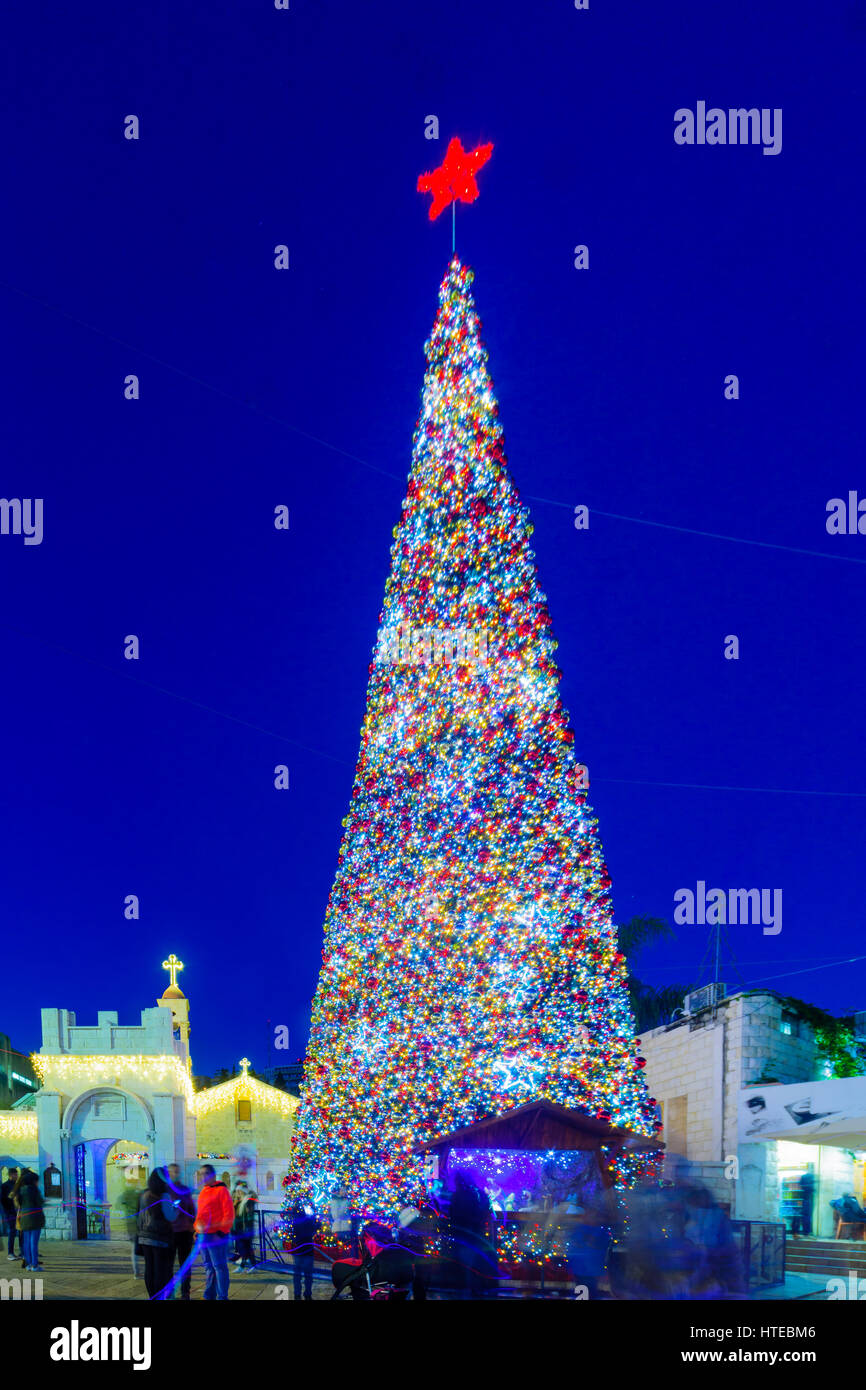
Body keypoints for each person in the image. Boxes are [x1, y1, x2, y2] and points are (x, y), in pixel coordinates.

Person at [195, 1163, 235, 1300]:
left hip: (216, 1235)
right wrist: (196, 1230)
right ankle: (209, 1295)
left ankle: (222, 1296)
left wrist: (222, 1232)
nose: (203, 1176)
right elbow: (200, 1214)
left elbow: (228, 1213)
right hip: (203, 1235)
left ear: (212, 1175)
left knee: (219, 1267)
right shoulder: (204, 1191)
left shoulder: (221, 1190)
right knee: (208, 1267)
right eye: (201, 1174)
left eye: (205, 1173)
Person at [137, 1168, 178, 1300]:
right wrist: (176, 1208)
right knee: (160, 1270)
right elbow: (170, 1216)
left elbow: (139, 1215)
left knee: (149, 1269)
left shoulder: (144, 1194)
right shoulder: (164, 1196)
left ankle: (152, 1296)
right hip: (159, 1237)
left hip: (144, 1237)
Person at [166, 1163, 196, 1300]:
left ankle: (185, 1292)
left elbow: (191, 1209)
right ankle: (171, 1292)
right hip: (170, 1232)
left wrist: (191, 1226)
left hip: (184, 1232)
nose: (176, 1174)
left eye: (177, 1172)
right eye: (173, 1172)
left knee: (185, 1265)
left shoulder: (184, 1190)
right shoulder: (165, 1190)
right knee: (168, 1265)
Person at [12, 1168, 45, 1272]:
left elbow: (18, 1204)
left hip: (24, 1218)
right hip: (34, 1219)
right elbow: (40, 1201)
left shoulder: (21, 1190)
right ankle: (35, 1265)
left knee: (26, 1242)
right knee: (33, 1243)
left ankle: (29, 1264)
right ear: (33, 1181)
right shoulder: (34, 1190)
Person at [116, 1174, 145, 1277]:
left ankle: (136, 1272)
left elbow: (118, 1205)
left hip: (130, 1223)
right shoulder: (140, 1193)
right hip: (140, 1223)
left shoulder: (126, 1193)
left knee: (134, 1247)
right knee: (143, 1246)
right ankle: (142, 1271)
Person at [290, 1203, 317, 1300]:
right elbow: (316, 1227)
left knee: (298, 1274)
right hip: (306, 1249)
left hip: (299, 1248)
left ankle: (298, 1295)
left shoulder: (295, 1218)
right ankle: (307, 1294)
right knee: (307, 1274)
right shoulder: (308, 1219)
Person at [231, 1179, 258, 1271]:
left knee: (246, 1248)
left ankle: (252, 1266)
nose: (237, 1192)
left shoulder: (248, 1200)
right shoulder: (239, 1201)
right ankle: (243, 1266)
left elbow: (249, 1215)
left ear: (242, 1191)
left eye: (239, 1191)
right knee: (243, 1248)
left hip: (246, 1229)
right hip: (239, 1229)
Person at [1, 1167, 22, 1262]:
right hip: (9, 1212)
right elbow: (2, 1200)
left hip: (19, 1211)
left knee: (21, 1231)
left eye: (17, 1174)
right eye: (15, 1174)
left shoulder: (17, 1185)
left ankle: (22, 1252)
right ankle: (10, 1253)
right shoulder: (4, 1186)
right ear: (10, 1175)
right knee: (12, 1232)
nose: (17, 1176)